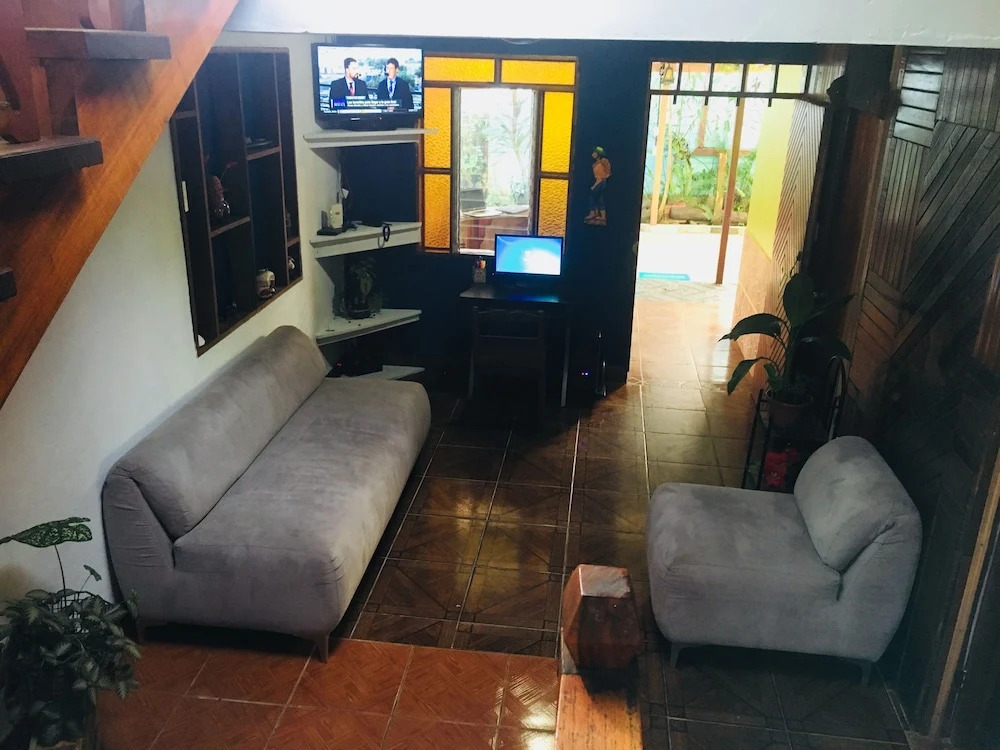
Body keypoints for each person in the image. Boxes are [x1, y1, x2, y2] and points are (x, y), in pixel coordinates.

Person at [585, 146, 612, 226]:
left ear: (598, 154)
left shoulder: (599, 165)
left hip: (600, 182)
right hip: (601, 182)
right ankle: (601, 216)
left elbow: (600, 177)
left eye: (594, 153)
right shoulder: (598, 163)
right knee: (599, 199)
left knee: (592, 197)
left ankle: (593, 213)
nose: (592, 154)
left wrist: (594, 186)